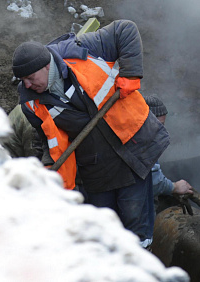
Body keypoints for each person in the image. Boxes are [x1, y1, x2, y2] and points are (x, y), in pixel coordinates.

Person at [11, 20, 170, 248]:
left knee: (136, 227)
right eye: (22, 80)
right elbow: (44, 139)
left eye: (30, 78)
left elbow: (125, 29)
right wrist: (46, 165)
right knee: (103, 232)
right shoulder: (30, 103)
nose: (27, 85)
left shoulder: (82, 50)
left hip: (132, 152)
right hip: (95, 170)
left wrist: (131, 73)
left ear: (46, 66)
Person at [144, 95, 200, 215]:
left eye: (163, 125)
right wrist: (174, 187)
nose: (161, 130)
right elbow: (153, 182)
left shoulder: (145, 139)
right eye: (158, 124)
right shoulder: (140, 143)